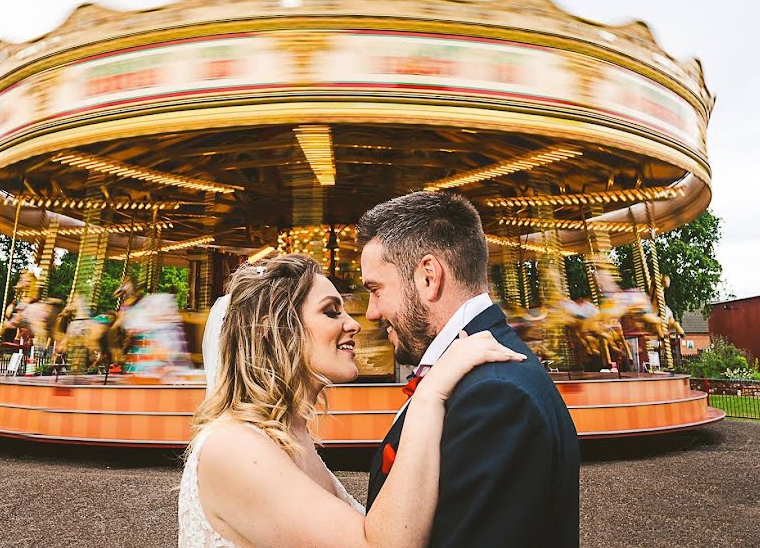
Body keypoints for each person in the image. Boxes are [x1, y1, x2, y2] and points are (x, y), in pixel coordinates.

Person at [178, 254, 526, 547]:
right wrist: (430, 395)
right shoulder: (233, 447)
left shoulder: (292, 437)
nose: (354, 324)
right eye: (331, 312)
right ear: (275, 329)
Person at [358, 191, 580, 548]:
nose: (370, 311)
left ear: (428, 277)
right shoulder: (483, 377)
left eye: (376, 289)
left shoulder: (495, 396)